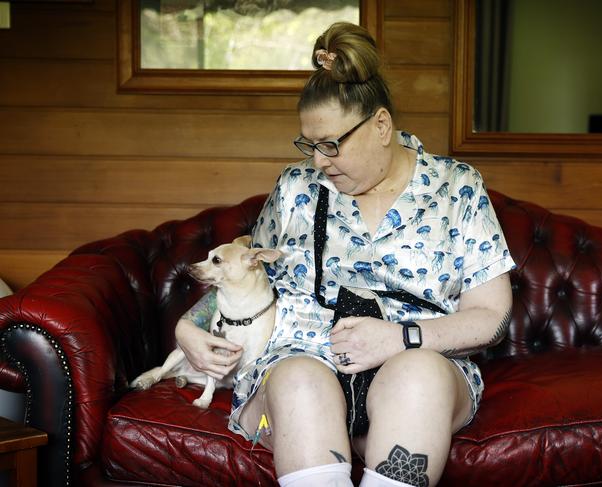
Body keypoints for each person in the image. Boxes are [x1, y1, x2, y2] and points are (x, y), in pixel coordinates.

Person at [175, 22, 515, 487]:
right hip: (301, 360)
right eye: (309, 145)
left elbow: (491, 317)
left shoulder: (457, 187)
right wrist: (188, 326)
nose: (317, 161)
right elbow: (243, 273)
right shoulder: (296, 189)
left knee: (418, 378)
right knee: (298, 383)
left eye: (331, 145)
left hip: (420, 363)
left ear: (380, 125)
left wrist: (399, 339)